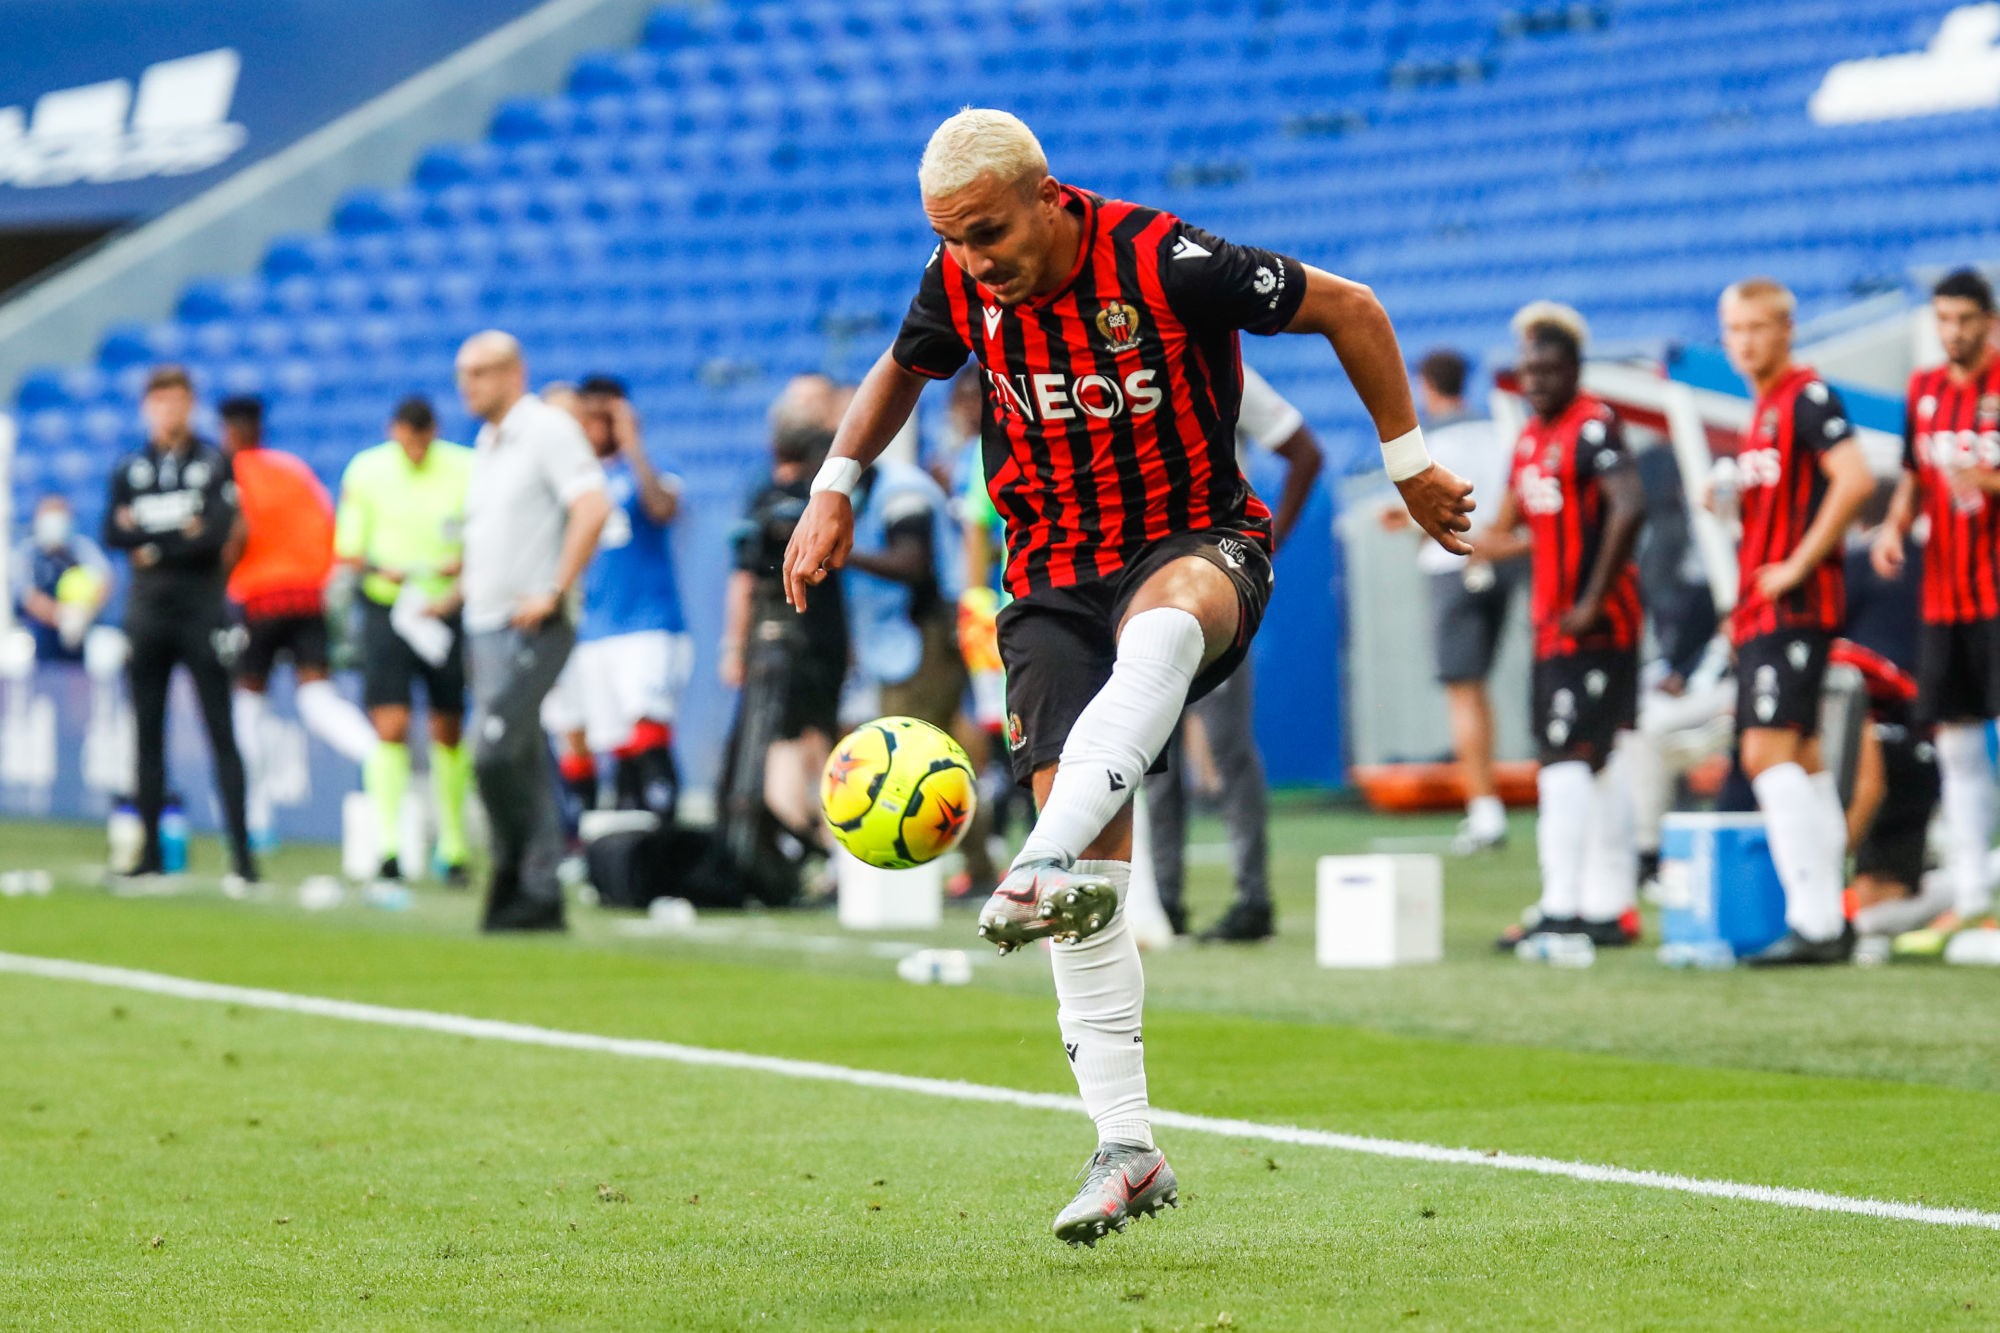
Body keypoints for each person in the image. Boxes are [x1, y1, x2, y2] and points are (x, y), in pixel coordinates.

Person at [781, 109, 1470, 1246]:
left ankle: (1035, 854)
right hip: (1048, 580)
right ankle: (1125, 1146)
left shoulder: (1164, 260)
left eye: (987, 232)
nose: (972, 260)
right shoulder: (960, 283)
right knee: (1094, 885)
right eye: (951, 241)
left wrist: (1406, 463)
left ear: (1047, 197)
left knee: (1162, 636)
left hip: (1196, 542)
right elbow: (898, 370)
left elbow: (1353, 307)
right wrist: (834, 483)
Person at [1474, 304, 1646, 950]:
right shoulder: (1529, 439)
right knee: (1595, 760)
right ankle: (1609, 905)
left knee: (1563, 757)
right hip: (1552, 621)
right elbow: (1516, 528)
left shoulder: (1595, 426)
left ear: (1574, 368)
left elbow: (1630, 506)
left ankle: (1561, 902)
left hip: (1597, 622)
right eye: (1527, 370)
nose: (1536, 380)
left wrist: (1596, 596)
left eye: (1547, 369)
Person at [1718, 277, 1876, 966]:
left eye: (1758, 327)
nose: (1746, 341)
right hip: (1764, 609)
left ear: (1787, 329)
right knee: (1802, 756)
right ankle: (1828, 915)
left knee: (1765, 753)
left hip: (1796, 606)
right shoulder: (1759, 412)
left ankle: (1813, 919)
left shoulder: (1808, 397)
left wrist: (1797, 564)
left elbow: (1856, 478)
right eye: (1735, 330)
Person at [1143, 363, 1323, 941]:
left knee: (1226, 748)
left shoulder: (1223, 367)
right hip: (1139, 581)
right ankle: (1163, 899)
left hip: (1212, 577)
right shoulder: (1116, 360)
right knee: (1150, 753)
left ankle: (1253, 899)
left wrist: (1264, 547)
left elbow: (1305, 452)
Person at [441, 332, 609, 932]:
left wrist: (555, 588)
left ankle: (514, 870)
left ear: (515, 373)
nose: (469, 384)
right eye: (463, 373)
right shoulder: (487, 443)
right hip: (483, 623)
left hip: (532, 622)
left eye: (481, 372)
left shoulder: (546, 430)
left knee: (491, 749)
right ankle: (536, 898)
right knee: (523, 756)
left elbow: (592, 507)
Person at [1872, 268, 2000, 951]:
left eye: (1966, 320)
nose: (1954, 331)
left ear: (1990, 320)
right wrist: (1895, 527)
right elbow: (1915, 476)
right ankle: (1974, 893)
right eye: (1944, 319)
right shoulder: (1922, 391)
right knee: (1954, 743)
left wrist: (1988, 479)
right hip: (1944, 596)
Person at [99, 365, 256, 883]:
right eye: (160, 402)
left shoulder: (213, 462)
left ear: (191, 405)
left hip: (200, 610)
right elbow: (110, 532)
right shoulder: (130, 466)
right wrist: (174, 536)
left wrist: (148, 538)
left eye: (178, 401)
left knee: (220, 730)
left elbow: (213, 535)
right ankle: (149, 856)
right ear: (148, 408)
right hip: (146, 614)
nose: (169, 411)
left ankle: (242, 856)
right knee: (146, 734)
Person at [218, 395, 379, 849]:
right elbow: (330, 527)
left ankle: (253, 818)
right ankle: (380, 760)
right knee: (317, 697)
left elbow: (235, 534)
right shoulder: (294, 470)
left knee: (250, 705)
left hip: (259, 601)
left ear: (229, 431)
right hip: (310, 597)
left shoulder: (228, 472)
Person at [334, 395, 477, 887]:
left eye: (424, 438)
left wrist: (460, 577)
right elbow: (349, 552)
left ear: (434, 432)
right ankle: (389, 845)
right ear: (394, 431)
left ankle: (453, 844)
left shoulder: (465, 467)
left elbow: (483, 539)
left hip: (448, 608)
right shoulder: (368, 471)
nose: (415, 448)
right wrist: (383, 569)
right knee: (390, 723)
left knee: (449, 723)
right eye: (407, 438)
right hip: (389, 607)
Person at [1381, 349, 1520, 853]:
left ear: (1427, 385)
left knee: (1464, 692)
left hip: (1452, 566)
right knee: (1480, 690)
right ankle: (1489, 803)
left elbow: (1426, 510)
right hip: (1501, 562)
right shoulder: (1498, 432)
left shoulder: (1430, 443)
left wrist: (1402, 520)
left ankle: (1484, 810)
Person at [541, 375, 690, 822]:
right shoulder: (576, 481)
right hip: (592, 628)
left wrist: (634, 446)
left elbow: (664, 509)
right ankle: (616, 844)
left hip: (646, 622)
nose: (597, 425)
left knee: (647, 727)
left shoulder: (648, 467)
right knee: (613, 743)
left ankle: (663, 831)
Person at [720, 378, 849, 870]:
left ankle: (796, 844)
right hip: (825, 632)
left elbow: (745, 580)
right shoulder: (825, 501)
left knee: (783, 743)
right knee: (819, 739)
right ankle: (829, 847)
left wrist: (733, 646)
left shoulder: (763, 502)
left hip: (778, 633)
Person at [11, 495, 113, 662]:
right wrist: (59, 616)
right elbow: (25, 594)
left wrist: (81, 614)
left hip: (81, 625)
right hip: (40, 630)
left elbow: (104, 581)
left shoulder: (81, 548)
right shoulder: (28, 552)